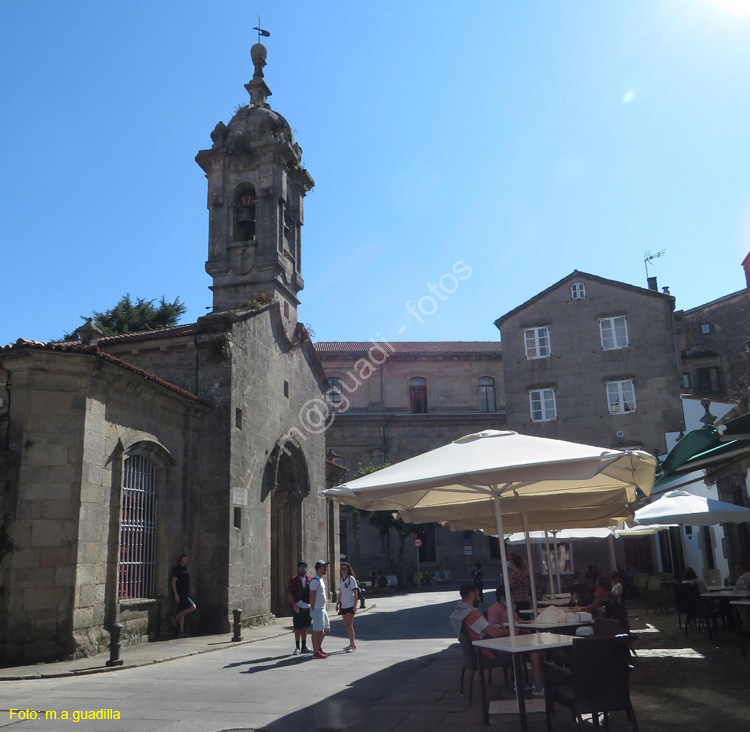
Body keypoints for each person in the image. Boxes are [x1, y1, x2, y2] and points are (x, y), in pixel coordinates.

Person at [449, 583, 544, 697]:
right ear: (471, 594)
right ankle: (531, 684)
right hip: (487, 652)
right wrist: (511, 631)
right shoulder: (472, 614)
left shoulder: (459, 612)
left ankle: (521, 681)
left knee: (524, 647)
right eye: (478, 595)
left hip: (477, 652)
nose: (480, 598)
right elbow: (493, 633)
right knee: (529, 648)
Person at [287, 560, 312, 655]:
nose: (302, 570)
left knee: (305, 627)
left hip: (307, 606)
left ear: (306, 569)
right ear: (298, 569)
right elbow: (289, 593)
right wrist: (294, 604)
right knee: (297, 627)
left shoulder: (309, 580)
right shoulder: (293, 580)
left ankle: (304, 647)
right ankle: (297, 647)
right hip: (298, 606)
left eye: (304, 568)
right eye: (300, 568)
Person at [170, 554, 196, 638]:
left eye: (187, 560)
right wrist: (176, 594)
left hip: (185, 593)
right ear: (181, 560)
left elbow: (184, 582)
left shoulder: (185, 570)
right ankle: (175, 617)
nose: (186, 561)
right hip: (181, 594)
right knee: (193, 607)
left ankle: (181, 632)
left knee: (182, 612)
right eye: (185, 559)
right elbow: (173, 582)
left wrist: (190, 588)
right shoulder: (177, 569)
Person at [309, 560, 330, 659]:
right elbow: (312, 596)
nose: (325, 568)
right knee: (317, 631)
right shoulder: (315, 581)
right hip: (317, 609)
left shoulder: (320, 579)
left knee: (325, 628)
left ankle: (318, 647)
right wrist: (312, 610)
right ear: (318, 568)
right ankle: (316, 651)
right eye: (324, 567)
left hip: (322, 609)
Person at [336, 561, 359, 652]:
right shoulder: (341, 579)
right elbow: (340, 593)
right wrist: (338, 603)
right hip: (343, 605)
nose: (343, 570)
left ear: (348, 570)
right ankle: (352, 644)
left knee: (349, 625)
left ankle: (352, 646)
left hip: (350, 604)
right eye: (342, 569)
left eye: (345, 569)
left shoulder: (351, 579)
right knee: (347, 625)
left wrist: (355, 604)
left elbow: (355, 592)